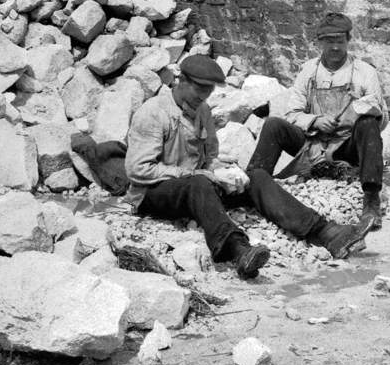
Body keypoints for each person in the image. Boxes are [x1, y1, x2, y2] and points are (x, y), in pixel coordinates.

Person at [125, 54, 370, 279]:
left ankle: (326, 232)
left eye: (209, 90)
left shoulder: (203, 110)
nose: (204, 95)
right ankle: (237, 250)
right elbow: (138, 169)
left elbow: (209, 156)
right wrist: (195, 174)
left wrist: (225, 173)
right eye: (199, 89)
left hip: (197, 188)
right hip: (153, 192)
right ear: (181, 81)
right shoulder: (153, 113)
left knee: (257, 176)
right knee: (198, 183)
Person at [247, 12, 387, 230]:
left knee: (369, 125)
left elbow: (382, 118)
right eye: (329, 42)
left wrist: (360, 114)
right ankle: (253, 185)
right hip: (312, 144)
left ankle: (371, 200)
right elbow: (292, 113)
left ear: (348, 40)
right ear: (320, 43)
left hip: (347, 145)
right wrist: (315, 121)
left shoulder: (364, 72)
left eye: (340, 41)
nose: (335, 48)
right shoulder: (309, 70)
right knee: (273, 124)